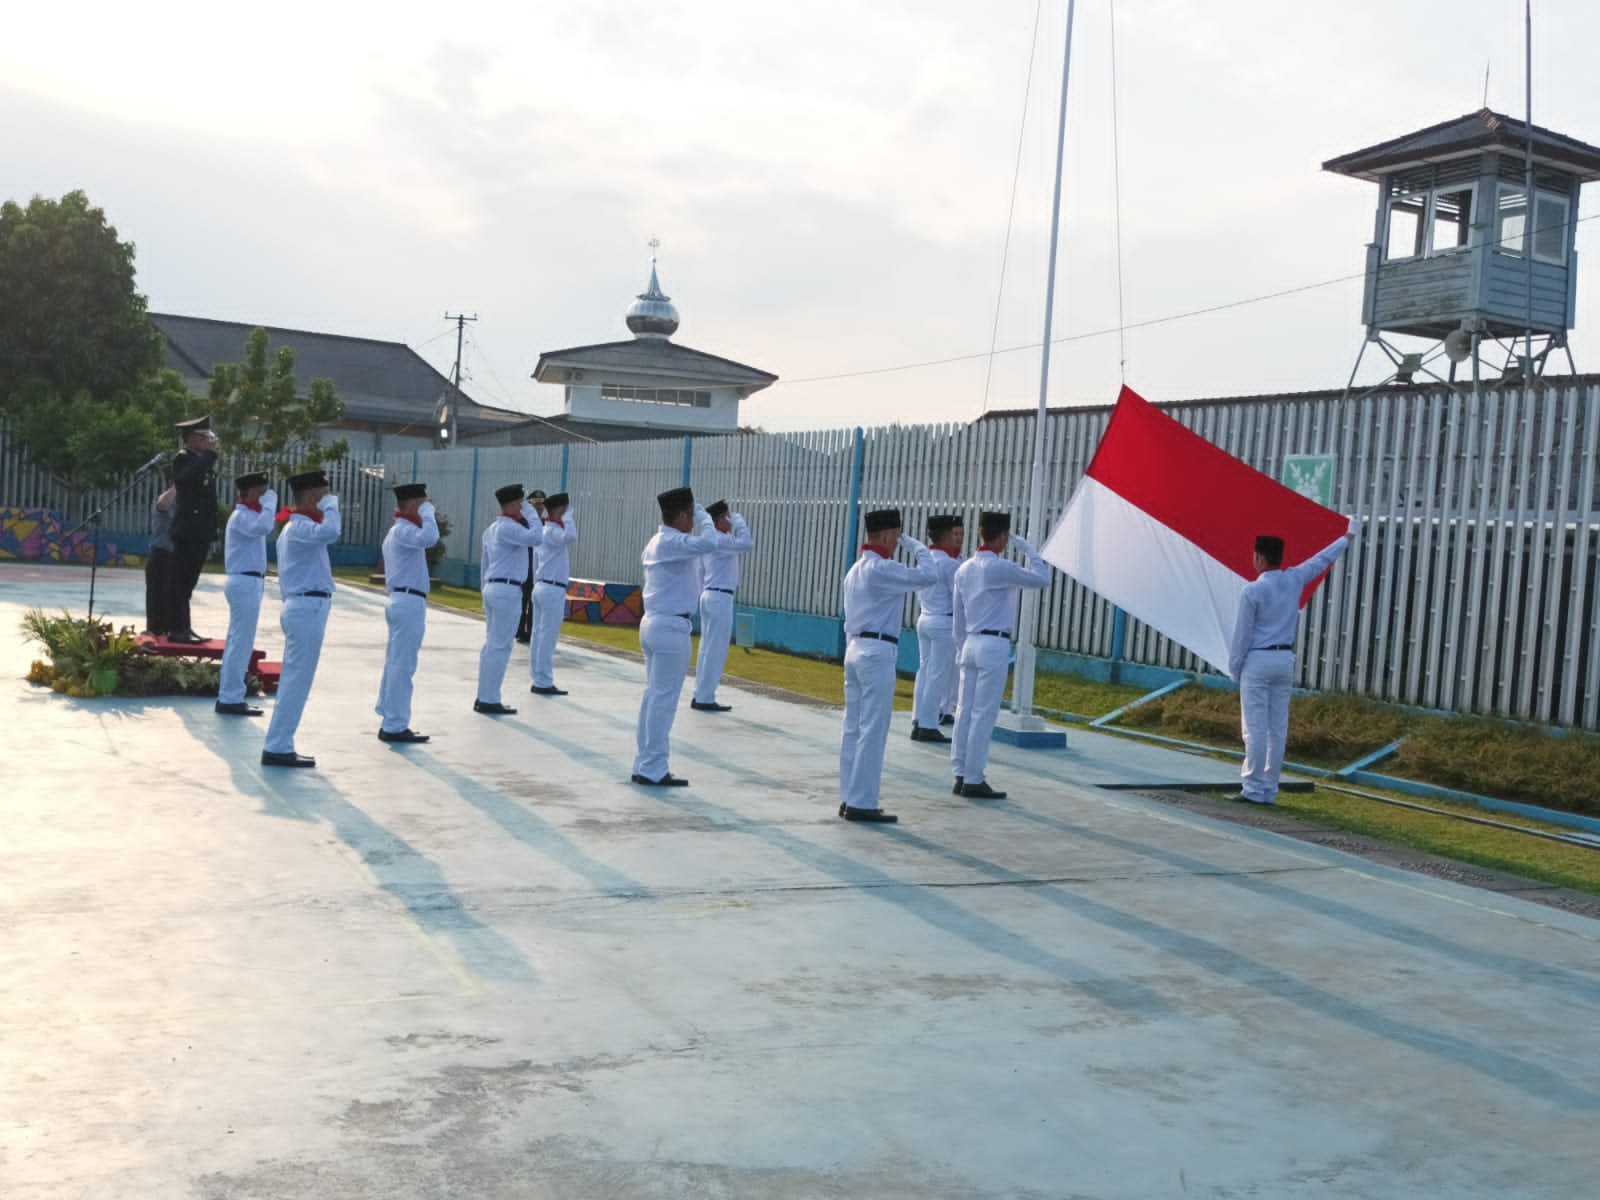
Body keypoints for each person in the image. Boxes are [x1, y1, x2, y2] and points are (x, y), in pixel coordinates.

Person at [1227, 522, 1357, 804]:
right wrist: (1346, 537)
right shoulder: (1295, 578)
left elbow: (1242, 634)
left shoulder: (1252, 591)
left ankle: (1252, 788)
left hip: (1258, 659)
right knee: (1278, 728)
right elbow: (1323, 559)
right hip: (1284, 658)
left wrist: (1234, 667)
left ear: (1259, 557)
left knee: (1255, 728)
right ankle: (1270, 790)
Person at [837, 508, 937, 824]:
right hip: (876, 651)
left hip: (854, 648)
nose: (897, 541)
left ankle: (848, 795)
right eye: (896, 535)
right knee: (872, 730)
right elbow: (929, 574)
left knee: (853, 728)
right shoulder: (883, 569)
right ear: (886, 535)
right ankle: (862, 801)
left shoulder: (855, 570)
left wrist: (903, 537)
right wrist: (916, 544)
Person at [632, 488, 736, 787]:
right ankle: (653, 768)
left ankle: (645, 762)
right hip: (669, 628)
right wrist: (706, 516)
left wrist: (699, 515)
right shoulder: (671, 541)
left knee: (653, 697)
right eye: (690, 514)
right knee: (662, 701)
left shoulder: (658, 541)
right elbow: (710, 542)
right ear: (680, 516)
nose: (694, 519)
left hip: (655, 624)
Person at [949, 511, 1051, 800]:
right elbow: (1042, 578)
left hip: (970, 641)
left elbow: (958, 617)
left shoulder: (964, 568)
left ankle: (960, 770)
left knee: (965, 710)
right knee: (983, 714)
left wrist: (960, 646)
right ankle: (973, 777)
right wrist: (1028, 548)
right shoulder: (999, 567)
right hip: (993, 644)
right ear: (1003, 537)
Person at [261, 470, 341, 768]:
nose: (330, 501)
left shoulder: (300, 527)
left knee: (297, 680)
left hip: (308, 608)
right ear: (311, 498)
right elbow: (332, 531)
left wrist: (327, 504)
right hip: (306, 608)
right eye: (325, 495)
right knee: (296, 681)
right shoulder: (299, 528)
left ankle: (281, 743)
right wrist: (332, 506)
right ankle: (278, 745)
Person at [375, 482, 440, 744]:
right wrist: (428, 512)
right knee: (403, 665)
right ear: (414, 504)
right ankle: (394, 724)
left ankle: (390, 716)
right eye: (423, 502)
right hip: (407, 602)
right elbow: (431, 538)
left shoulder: (400, 530)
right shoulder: (404, 530)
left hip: (403, 600)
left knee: (396, 663)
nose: (428, 506)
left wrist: (423, 511)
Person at [474, 484, 544, 715]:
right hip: (506, 590)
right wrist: (533, 514)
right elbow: (536, 538)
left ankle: (484, 695)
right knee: (500, 646)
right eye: (522, 503)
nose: (524, 508)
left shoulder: (493, 528)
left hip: (493, 587)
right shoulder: (508, 527)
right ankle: (489, 698)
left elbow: (484, 564)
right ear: (514, 504)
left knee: (491, 645)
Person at [215, 471, 277, 717]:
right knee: (240, 643)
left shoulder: (249, 514)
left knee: (238, 642)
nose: (264, 496)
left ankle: (230, 695)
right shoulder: (242, 516)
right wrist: (271, 504)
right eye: (261, 492)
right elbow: (265, 526)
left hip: (249, 582)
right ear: (250, 492)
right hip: (244, 582)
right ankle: (230, 697)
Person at [690, 500, 754, 713]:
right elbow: (747, 543)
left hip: (708, 595)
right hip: (720, 597)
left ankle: (700, 693)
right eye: (727, 517)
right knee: (716, 650)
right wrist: (740, 522)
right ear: (719, 521)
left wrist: (701, 596)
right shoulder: (722, 539)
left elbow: (699, 572)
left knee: (706, 649)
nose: (730, 519)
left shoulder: (709, 540)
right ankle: (706, 697)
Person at [909, 513, 964, 743]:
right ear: (944, 536)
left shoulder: (926, 560)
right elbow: (959, 599)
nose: (959, 539)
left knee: (925, 672)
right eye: (955, 534)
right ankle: (928, 724)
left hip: (925, 617)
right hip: (943, 621)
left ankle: (918, 718)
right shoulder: (950, 564)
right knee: (937, 675)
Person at [165, 415, 220, 644]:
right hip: (187, 530)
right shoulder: (183, 459)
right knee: (180, 582)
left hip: (199, 531)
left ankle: (184, 627)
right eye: (202, 437)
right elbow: (188, 479)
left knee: (188, 583)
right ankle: (177, 629)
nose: (208, 441)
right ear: (190, 439)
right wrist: (209, 455)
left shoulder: (201, 460)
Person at [529, 491, 578, 696]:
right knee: (547, 637)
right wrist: (567, 518)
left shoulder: (544, 530)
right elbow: (571, 536)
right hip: (551, 589)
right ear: (559, 510)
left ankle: (538, 677)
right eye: (565, 510)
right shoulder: (552, 531)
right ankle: (543, 681)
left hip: (541, 586)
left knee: (538, 636)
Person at [143, 467, 177, 637]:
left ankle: (173, 631)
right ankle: (155, 632)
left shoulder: (183, 502)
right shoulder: (164, 498)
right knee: (157, 597)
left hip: (177, 557)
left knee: (174, 598)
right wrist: (177, 486)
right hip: (161, 554)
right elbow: (162, 505)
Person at [515, 489, 548, 643]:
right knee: (522, 601)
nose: (540, 508)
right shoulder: (522, 523)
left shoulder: (545, 524)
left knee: (535, 604)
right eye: (537, 505)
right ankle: (519, 630)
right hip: (524, 567)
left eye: (542, 505)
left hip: (538, 569)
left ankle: (532, 631)